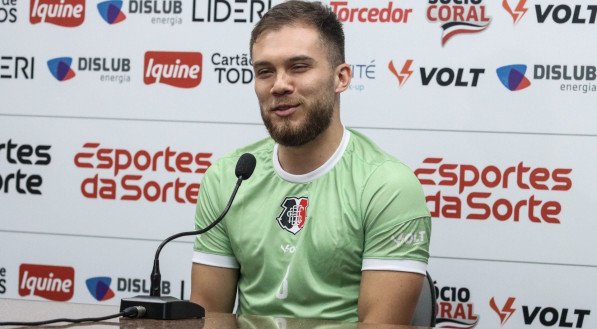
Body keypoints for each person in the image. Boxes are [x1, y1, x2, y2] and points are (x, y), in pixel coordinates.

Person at [190, 0, 431, 325]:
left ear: (341, 77)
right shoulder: (229, 177)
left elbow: (381, 324)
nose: (279, 85)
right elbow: (211, 315)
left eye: (299, 67)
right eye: (265, 71)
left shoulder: (387, 186)